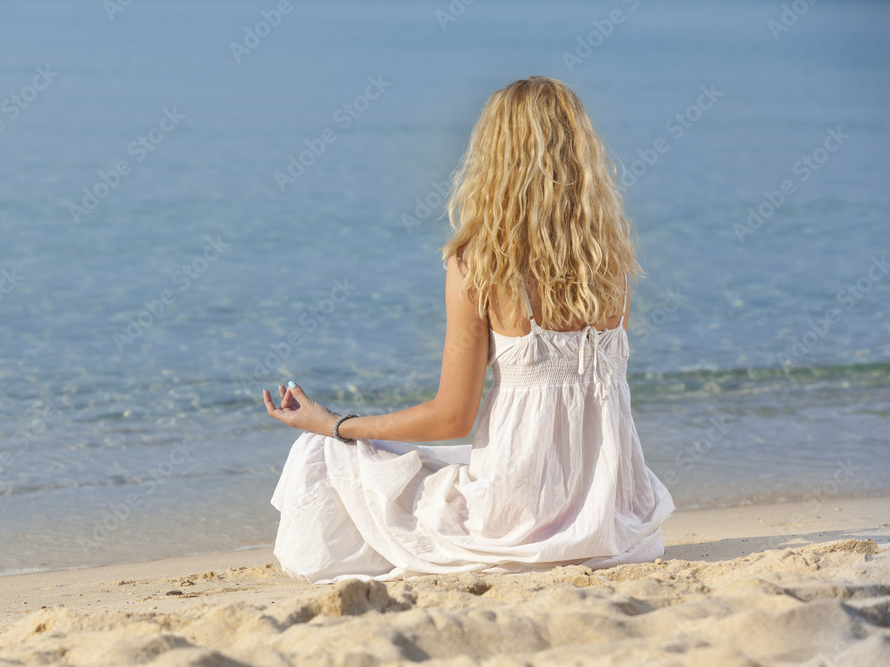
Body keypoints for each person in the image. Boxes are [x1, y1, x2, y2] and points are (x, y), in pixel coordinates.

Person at [263, 75, 675, 584]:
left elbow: (452, 417)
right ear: (580, 154)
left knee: (324, 452)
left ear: (494, 157)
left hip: (515, 514)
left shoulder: (480, 265)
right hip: (616, 519)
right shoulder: (612, 264)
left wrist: (336, 424)